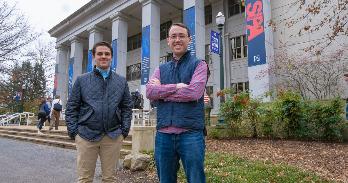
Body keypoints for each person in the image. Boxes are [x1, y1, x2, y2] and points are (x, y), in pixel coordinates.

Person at [146, 23, 208, 183]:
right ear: (168, 40)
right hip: (163, 135)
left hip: (191, 134)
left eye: (181, 36)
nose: (177, 39)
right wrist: (176, 87)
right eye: (173, 36)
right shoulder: (160, 69)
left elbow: (194, 93)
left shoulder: (199, 65)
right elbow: (149, 92)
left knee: (196, 179)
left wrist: (162, 93)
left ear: (189, 39)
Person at [65, 41, 133, 183]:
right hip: (86, 135)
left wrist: (124, 130)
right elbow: (72, 107)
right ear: (93, 57)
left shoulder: (121, 81)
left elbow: (127, 107)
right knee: (84, 179)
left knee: (110, 179)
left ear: (111, 57)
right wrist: (74, 132)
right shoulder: (82, 80)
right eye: (100, 54)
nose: (103, 56)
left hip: (113, 136)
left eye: (107, 54)